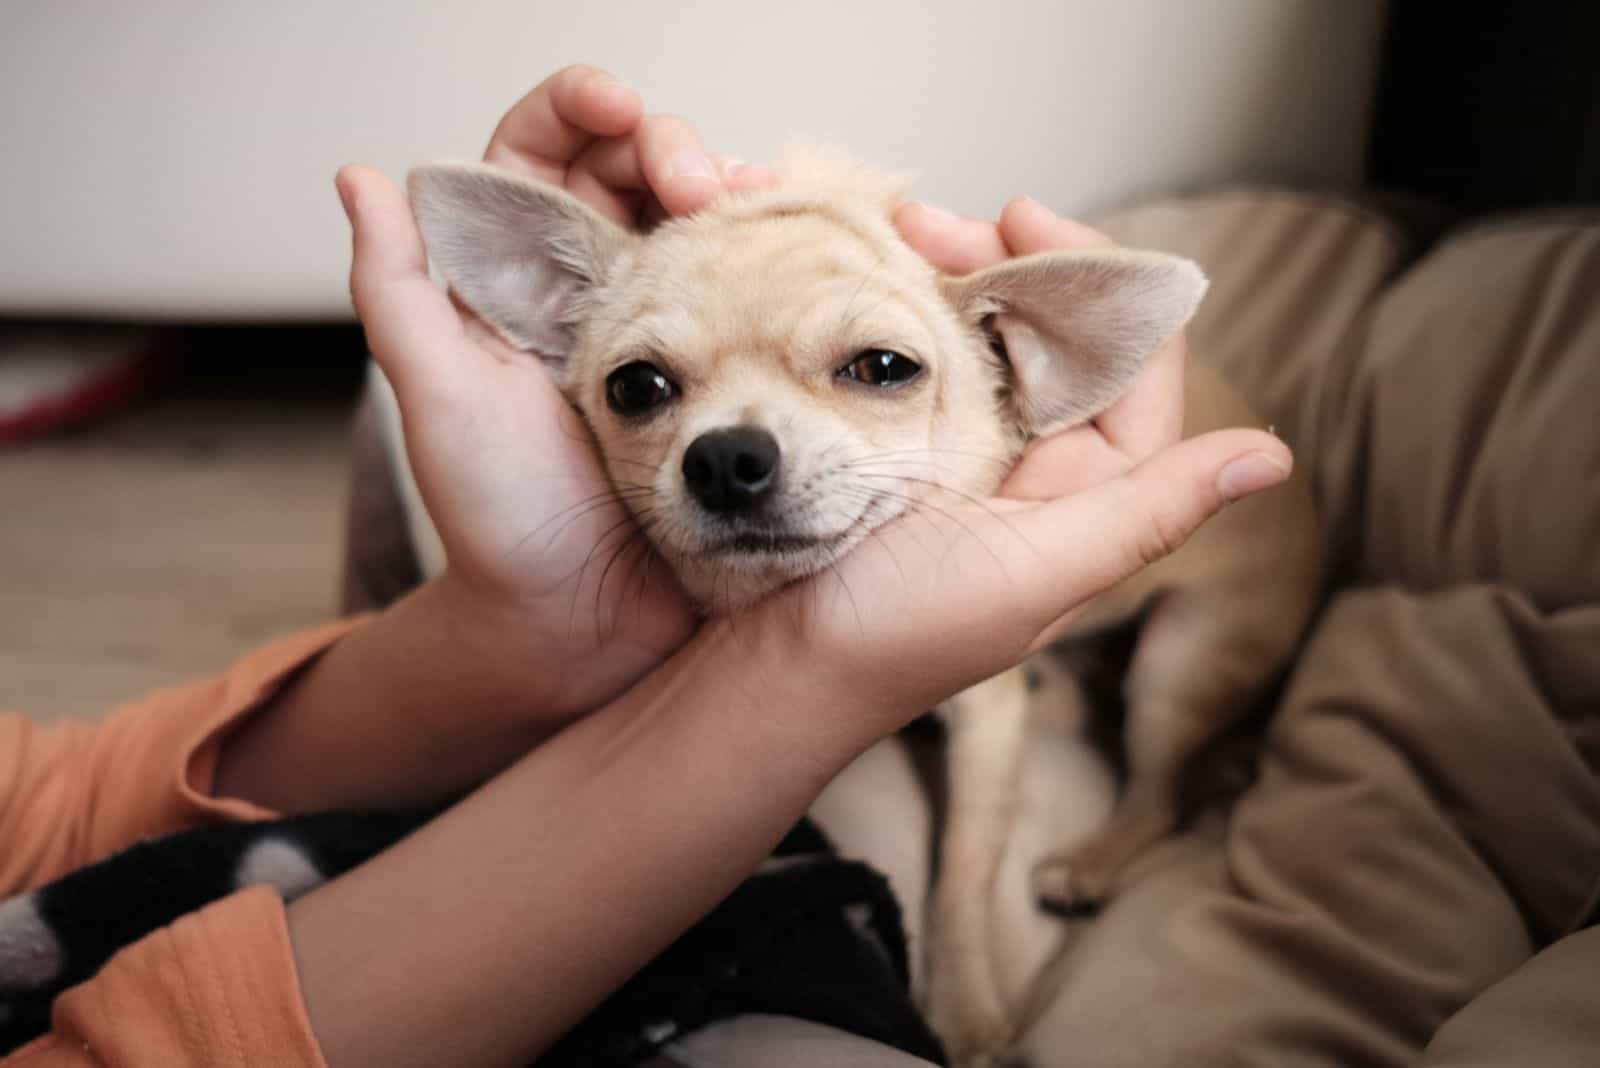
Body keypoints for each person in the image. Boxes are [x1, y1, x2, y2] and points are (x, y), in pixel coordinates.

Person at [0, 66, 1290, 1068]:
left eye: (875, 367)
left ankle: (1149, 809)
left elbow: (53, 805)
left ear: (1021, 371)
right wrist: (664, 639)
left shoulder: (1005, 394)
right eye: (645, 385)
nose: (731, 447)